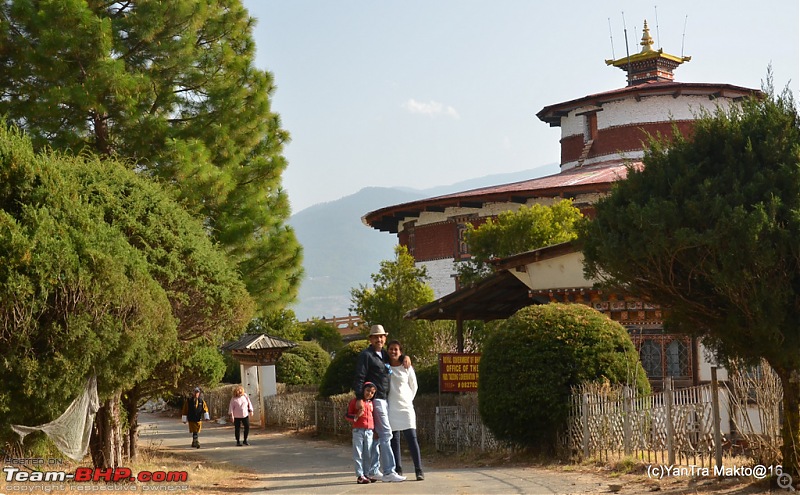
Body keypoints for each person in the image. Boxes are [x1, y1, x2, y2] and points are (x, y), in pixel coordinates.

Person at [353, 324, 406, 482]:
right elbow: (359, 377)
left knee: (377, 437)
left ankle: (374, 470)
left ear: (385, 338)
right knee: (386, 434)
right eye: (375, 337)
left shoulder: (383, 354)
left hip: (384, 398)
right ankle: (389, 471)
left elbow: (397, 358)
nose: (379, 339)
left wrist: (405, 358)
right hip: (375, 400)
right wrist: (359, 398)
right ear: (370, 339)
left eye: (381, 336)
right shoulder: (366, 355)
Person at [387, 340, 425, 481]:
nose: (393, 352)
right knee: (394, 440)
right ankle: (398, 469)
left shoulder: (406, 367)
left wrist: (408, 400)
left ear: (400, 351)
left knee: (412, 439)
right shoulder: (385, 366)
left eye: (396, 349)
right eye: (391, 349)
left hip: (406, 408)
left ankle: (419, 470)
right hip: (391, 407)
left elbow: (414, 386)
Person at [345, 382, 377, 484]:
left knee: (368, 453)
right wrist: (356, 416)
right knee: (358, 453)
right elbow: (347, 415)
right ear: (362, 390)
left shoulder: (371, 403)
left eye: (372, 392)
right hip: (358, 430)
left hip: (369, 431)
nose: (369, 394)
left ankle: (366, 474)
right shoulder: (356, 402)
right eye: (367, 391)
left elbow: (373, 417)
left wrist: (374, 430)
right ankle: (360, 475)